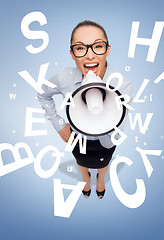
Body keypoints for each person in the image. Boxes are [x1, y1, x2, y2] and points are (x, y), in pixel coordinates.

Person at [37, 20, 132, 199]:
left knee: (104, 162)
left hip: (106, 142)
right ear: (72, 54)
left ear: (108, 49)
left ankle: (101, 179)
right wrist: (59, 124)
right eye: (80, 48)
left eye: (97, 46)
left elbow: (118, 133)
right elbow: (42, 94)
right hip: (76, 137)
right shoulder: (64, 77)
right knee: (80, 160)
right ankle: (86, 180)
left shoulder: (124, 85)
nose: (90, 56)